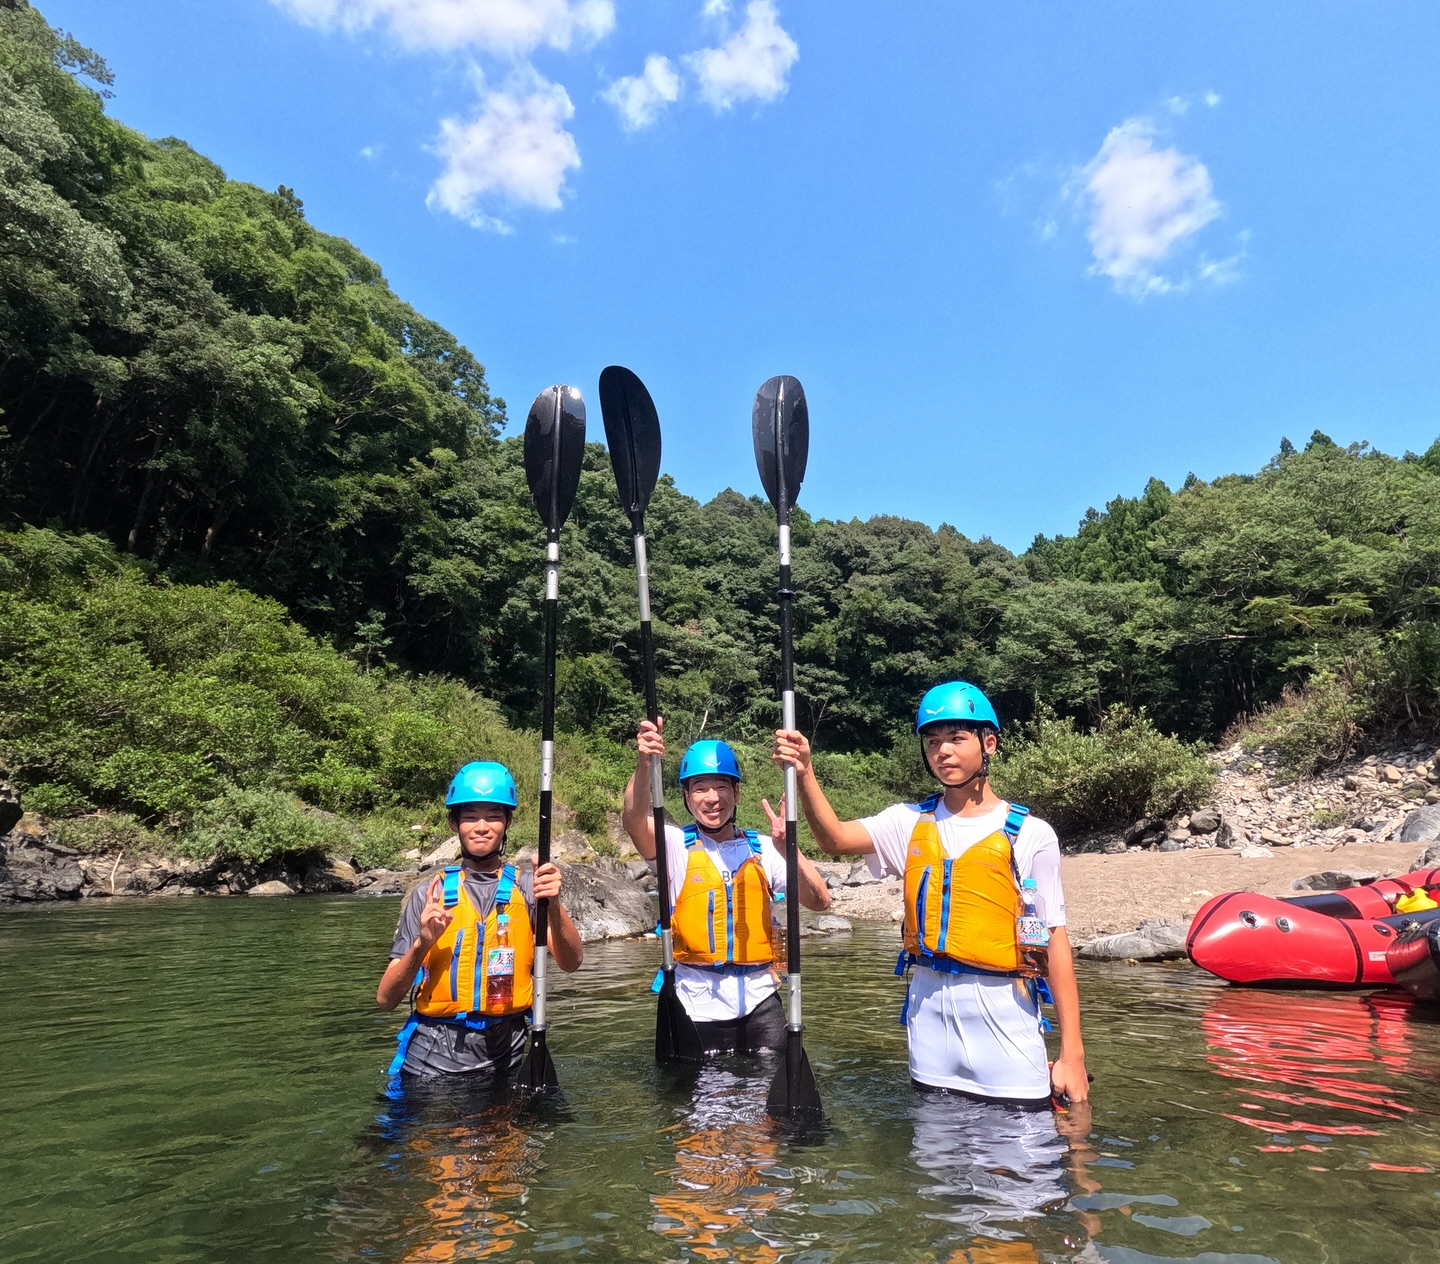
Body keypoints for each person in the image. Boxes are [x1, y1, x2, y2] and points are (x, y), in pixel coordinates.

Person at [773, 681, 1089, 1108]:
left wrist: (1072, 1055)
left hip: (1003, 1012)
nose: (943, 751)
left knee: (1022, 1163)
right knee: (937, 1161)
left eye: (957, 738)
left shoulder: (1032, 835)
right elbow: (834, 839)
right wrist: (806, 771)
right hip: (929, 1016)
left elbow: (1054, 940)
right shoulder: (907, 821)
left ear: (988, 743)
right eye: (933, 741)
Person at [622, 719, 831, 1054]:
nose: (712, 798)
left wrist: (789, 849)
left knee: (767, 1101)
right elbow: (632, 820)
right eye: (701, 788)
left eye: (721, 787)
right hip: (695, 1001)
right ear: (687, 798)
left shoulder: (763, 848)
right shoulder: (674, 846)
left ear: (736, 793)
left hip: (761, 999)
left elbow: (820, 901)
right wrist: (645, 762)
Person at [377, 761, 584, 1079]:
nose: (482, 826)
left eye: (493, 816)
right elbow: (386, 999)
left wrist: (553, 904)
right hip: (432, 1060)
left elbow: (571, 962)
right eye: (470, 816)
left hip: (507, 1056)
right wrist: (422, 945)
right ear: (454, 823)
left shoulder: (530, 888)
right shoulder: (427, 895)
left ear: (507, 822)